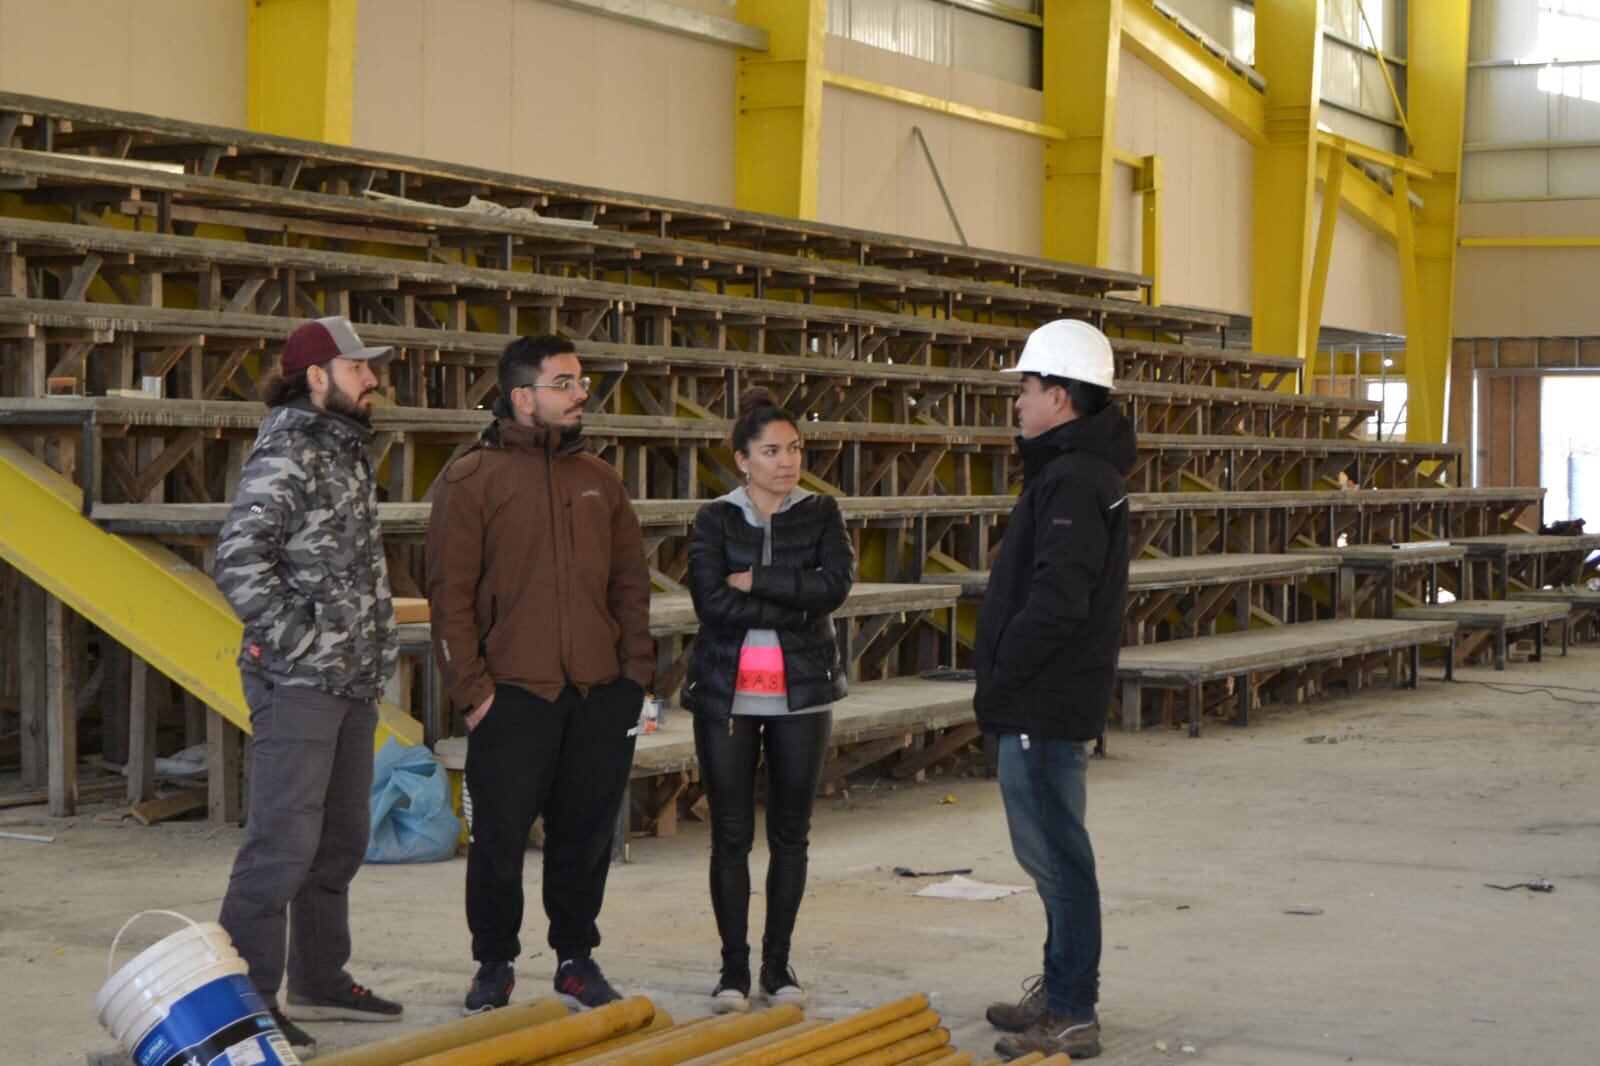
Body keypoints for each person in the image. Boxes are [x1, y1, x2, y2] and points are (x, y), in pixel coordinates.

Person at [424, 334, 653, 1014]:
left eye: (580, 381)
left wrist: (631, 680)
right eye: (564, 383)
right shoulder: (471, 480)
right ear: (523, 397)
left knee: (585, 836)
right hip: (512, 696)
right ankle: (494, 962)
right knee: (498, 837)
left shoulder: (602, 480)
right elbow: (450, 597)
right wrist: (474, 693)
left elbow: (631, 588)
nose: (580, 393)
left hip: (598, 693)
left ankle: (576, 958)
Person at [213, 316, 405, 1056]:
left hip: (349, 677)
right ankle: (249, 1003)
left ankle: (320, 975)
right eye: (359, 369)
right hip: (300, 680)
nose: (373, 379)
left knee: (341, 838)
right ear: (317, 377)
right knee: (280, 848)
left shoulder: (344, 450)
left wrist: (355, 652)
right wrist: (302, 642)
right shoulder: (289, 452)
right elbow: (238, 559)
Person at [974, 319, 1136, 1062]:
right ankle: (1062, 986)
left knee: (1057, 858)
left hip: (1045, 696)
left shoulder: (1073, 478)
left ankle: (1073, 1008)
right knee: (1051, 855)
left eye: (1027, 387)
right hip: (1047, 695)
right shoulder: (1072, 471)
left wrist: (1003, 669)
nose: (1018, 400)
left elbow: (1059, 600)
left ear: (1061, 397)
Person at [681, 388, 855, 1015]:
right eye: (772, 451)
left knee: (790, 836)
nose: (787, 461)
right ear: (742, 461)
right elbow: (711, 603)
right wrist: (793, 598)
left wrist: (755, 580)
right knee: (730, 836)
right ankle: (733, 970)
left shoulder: (822, 512)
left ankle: (777, 967)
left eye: (795, 449)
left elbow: (832, 588)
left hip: (801, 698)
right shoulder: (714, 519)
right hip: (727, 697)